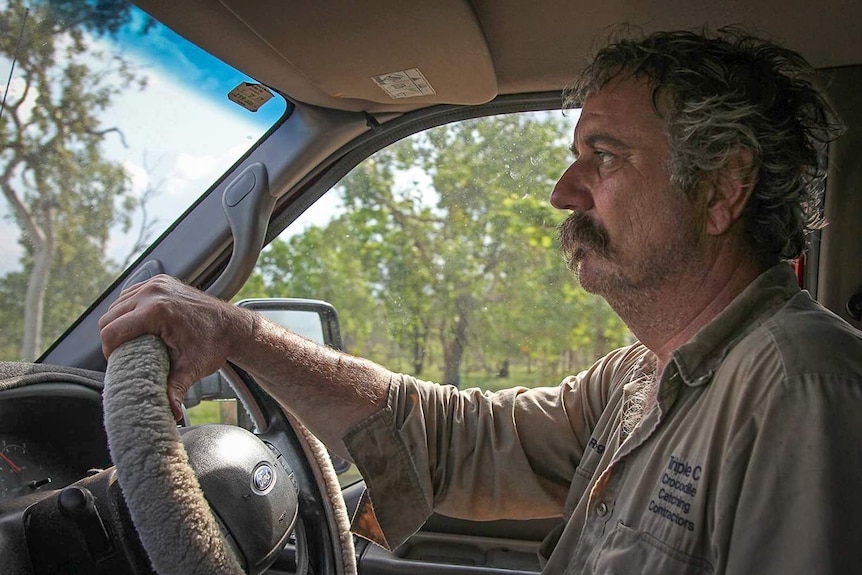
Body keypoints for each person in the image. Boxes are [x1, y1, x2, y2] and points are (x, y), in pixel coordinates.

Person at [100, 29, 862, 574]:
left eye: (604, 155)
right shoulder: (644, 375)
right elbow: (460, 439)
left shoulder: (801, 385)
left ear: (723, 187)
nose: (564, 191)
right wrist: (238, 334)